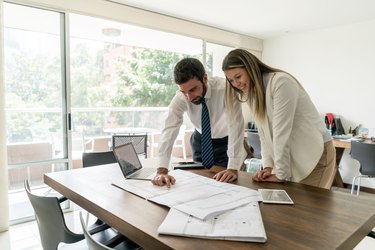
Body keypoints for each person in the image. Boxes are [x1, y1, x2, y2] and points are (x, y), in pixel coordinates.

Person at [220, 49, 336, 187]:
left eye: (238, 77)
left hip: (316, 154)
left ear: (251, 68)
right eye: (231, 80)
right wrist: (268, 166)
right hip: (295, 156)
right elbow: (264, 134)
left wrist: (281, 173)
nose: (236, 84)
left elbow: (281, 132)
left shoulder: (281, 83)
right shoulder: (253, 94)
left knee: (310, 207)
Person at [152, 58, 241, 187]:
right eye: (184, 91)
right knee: (199, 181)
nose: (189, 97)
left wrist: (233, 167)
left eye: (193, 89)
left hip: (225, 143)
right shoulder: (181, 97)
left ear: (205, 78)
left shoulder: (226, 90)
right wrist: (162, 170)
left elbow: (236, 125)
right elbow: (169, 129)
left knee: (224, 185)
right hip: (200, 141)